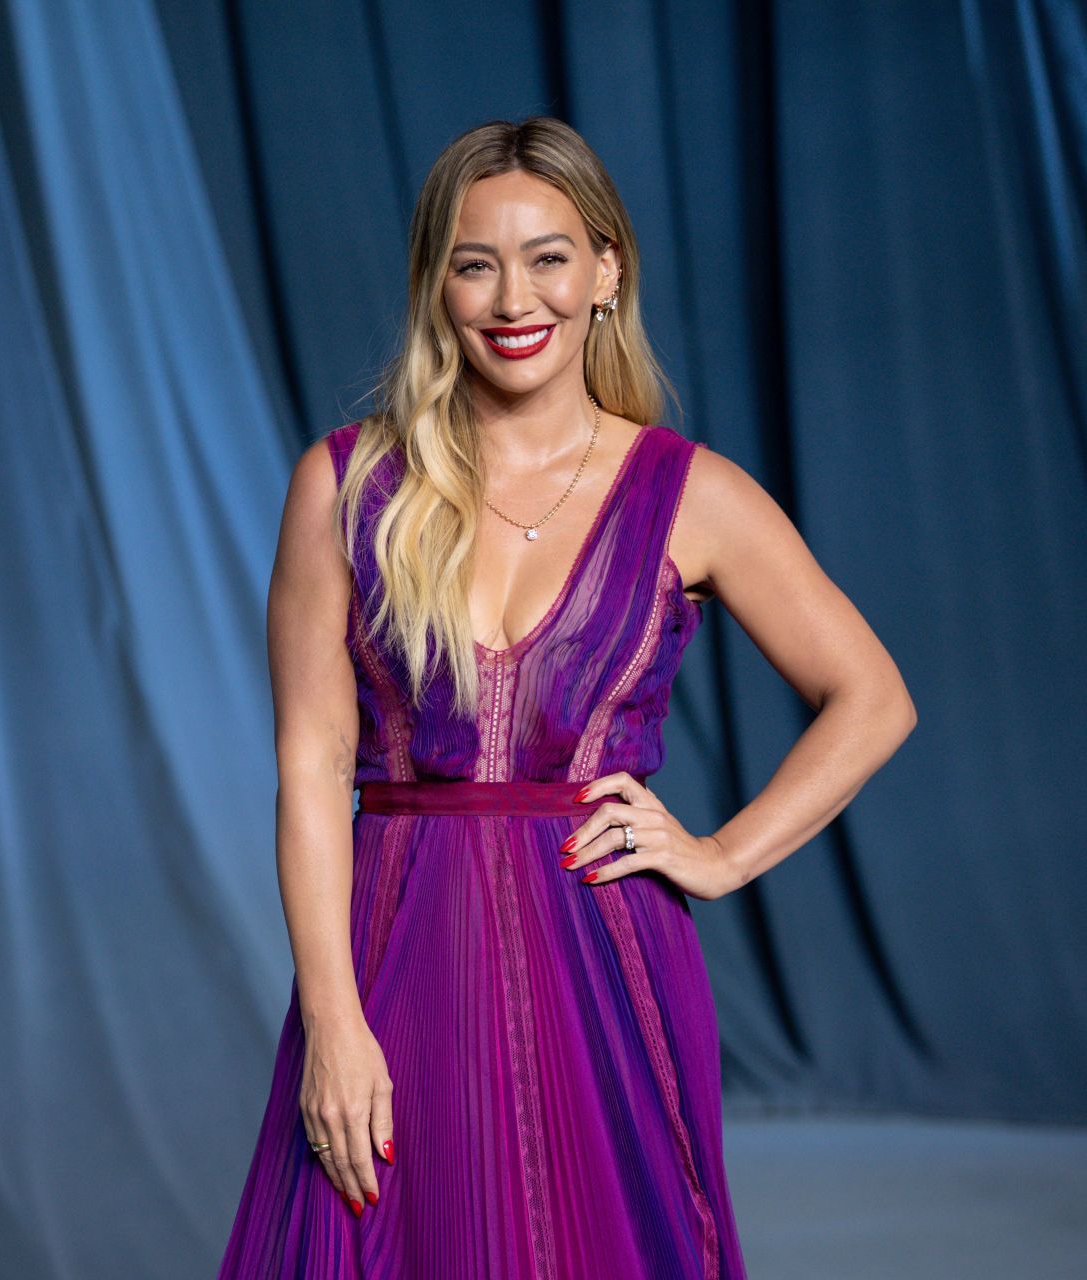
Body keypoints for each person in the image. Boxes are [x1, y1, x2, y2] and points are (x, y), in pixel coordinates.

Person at [216, 115, 916, 1279]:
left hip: (604, 958)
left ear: (607, 271)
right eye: (474, 261)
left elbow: (871, 696)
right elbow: (307, 764)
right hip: (393, 952)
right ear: (436, 284)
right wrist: (333, 1022)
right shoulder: (345, 483)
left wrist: (725, 853)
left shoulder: (689, 491)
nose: (512, 296)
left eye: (548, 255)